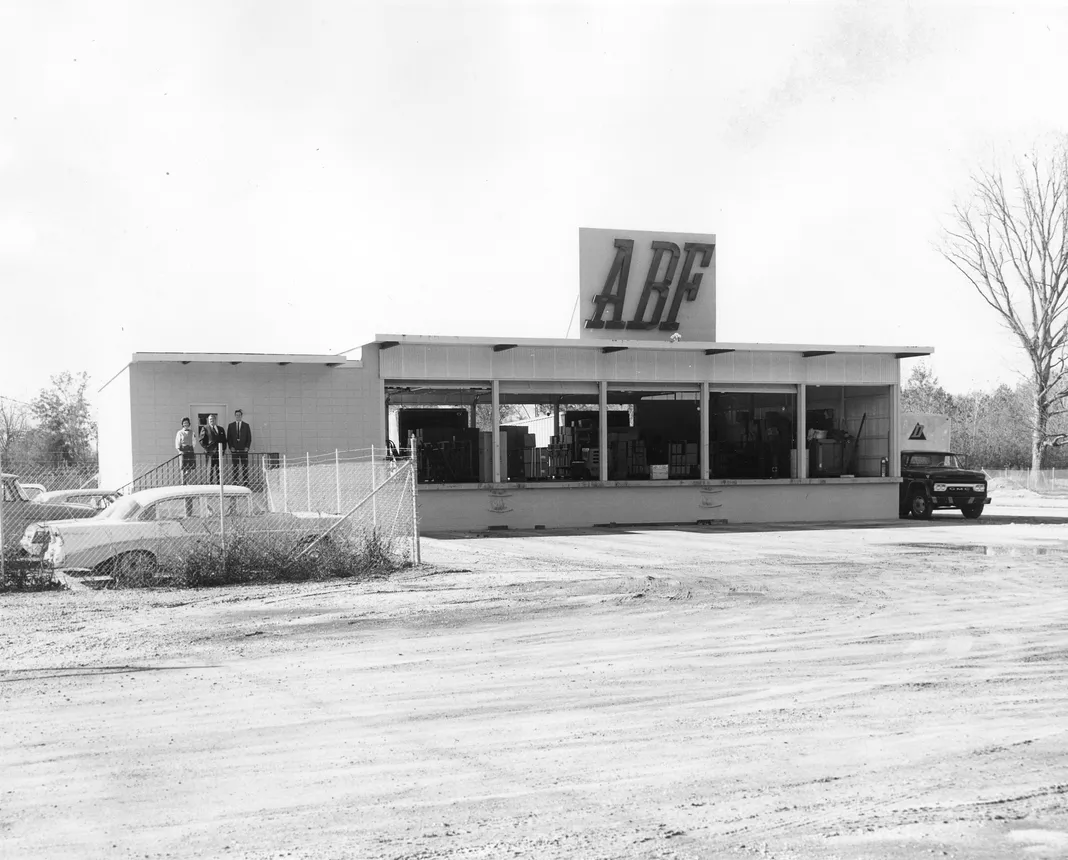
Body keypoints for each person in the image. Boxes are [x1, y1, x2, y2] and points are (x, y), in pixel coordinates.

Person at [226, 409, 252, 486]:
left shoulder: (246, 425)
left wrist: (247, 447)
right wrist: (231, 447)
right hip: (234, 449)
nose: (238, 416)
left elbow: (249, 438)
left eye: (239, 415)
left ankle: (246, 481)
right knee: (235, 466)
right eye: (236, 415)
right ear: (235, 416)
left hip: (244, 449)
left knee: (244, 465)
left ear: (241, 416)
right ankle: (235, 481)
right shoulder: (231, 425)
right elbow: (229, 437)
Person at [199, 413, 226, 484]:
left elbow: (224, 441)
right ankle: (210, 484)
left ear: (215, 420)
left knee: (218, 470)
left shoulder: (221, 429)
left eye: (213, 419)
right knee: (210, 470)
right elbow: (201, 441)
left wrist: (223, 451)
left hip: (219, 453)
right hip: (210, 454)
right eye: (210, 419)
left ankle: (219, 484)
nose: (212, 420)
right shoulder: (205, 428)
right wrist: (207, 449)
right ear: (208, 420)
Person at [175, 417, 196, 484]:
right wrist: (179, 450)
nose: (185, 424)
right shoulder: (180, 432)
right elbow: (177, 442)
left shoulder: (192, 432)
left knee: (190, 467)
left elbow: (194, 441)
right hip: (183, 450)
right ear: (182, 424)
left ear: (189, 423)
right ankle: (183, 482)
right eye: (184, 423)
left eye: (187, 422)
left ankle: (188, 482)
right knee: (183, 467)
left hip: (190, 450)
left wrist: (191, 447)